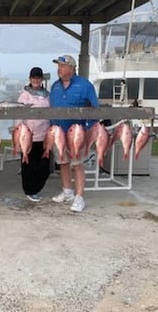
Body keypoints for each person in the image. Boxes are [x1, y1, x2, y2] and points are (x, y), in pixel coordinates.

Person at [50, 55, 99, 213]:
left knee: (77, 164)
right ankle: (67, 191)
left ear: (71, 68)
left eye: (62, 66)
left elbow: (95, 110)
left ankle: (79, 197)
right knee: (62, 162)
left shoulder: (85, 85)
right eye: (58, 66)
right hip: (58, 132)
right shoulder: (55, 86)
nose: (59, 69)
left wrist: (85, 128)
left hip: (77, 133)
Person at [16, 67, 51, 202]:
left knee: (44, 167)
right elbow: (19, 115)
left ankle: (36, 188)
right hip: (29, 136)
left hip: (44, 136)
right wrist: (20, 134)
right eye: (33, 78)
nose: (36, 80)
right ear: (30, 79)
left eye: (38, 77)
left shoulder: (47, 95)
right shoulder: (24, 95)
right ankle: (29, 190)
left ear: (41, 79)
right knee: (28, 167)